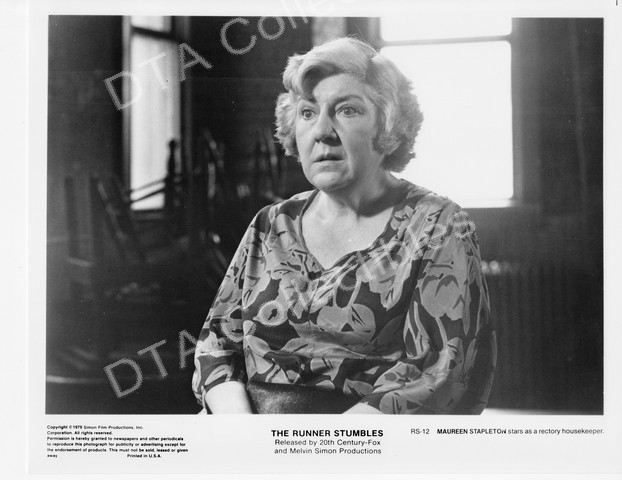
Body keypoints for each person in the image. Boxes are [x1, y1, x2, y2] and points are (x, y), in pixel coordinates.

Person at [192, 37, 496, 414]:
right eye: (307, 112)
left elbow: (439, 373)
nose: (322, 131)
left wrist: (323, 443)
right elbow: (218, 344)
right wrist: (240, 430)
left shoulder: (438, 224)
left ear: (389, 125)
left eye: (347, 110)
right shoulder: (270, 224)